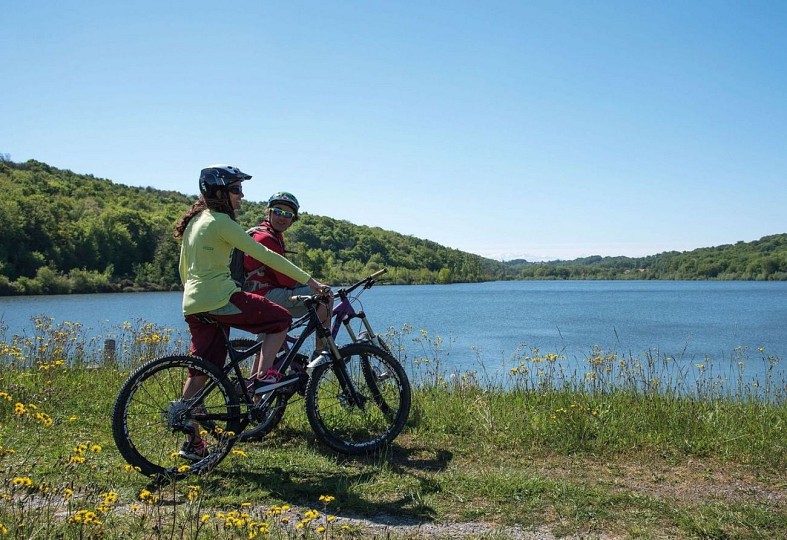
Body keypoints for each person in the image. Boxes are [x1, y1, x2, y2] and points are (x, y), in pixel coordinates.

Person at [174, 165, 329, 460]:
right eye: (236, 190)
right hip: (220, 297)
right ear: (219, 192)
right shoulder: (221, 221)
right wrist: (311, 282)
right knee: (280, 319)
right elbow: (264, 255)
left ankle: (192, 442)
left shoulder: (195, 222)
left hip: (193, 304)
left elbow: (184, 268)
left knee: (202, 370)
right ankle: (263, 379)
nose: (241, 196)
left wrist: (195, 296)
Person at [242, 192, 333, 354]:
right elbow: (287, 281)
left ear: (292, 219)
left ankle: (263, 366)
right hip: (264, 295)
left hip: (252, 295)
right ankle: (322, 351)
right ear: (268, 212)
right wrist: (314, 285)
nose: (282, 217)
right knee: (325, 297)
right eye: (278, 211)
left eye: (287, 214)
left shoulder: (263, 233)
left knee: (264, 350)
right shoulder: (266, 238)